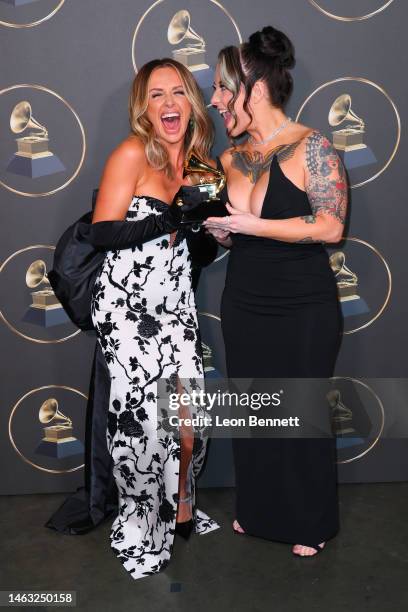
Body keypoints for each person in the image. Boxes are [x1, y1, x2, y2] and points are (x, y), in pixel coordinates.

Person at [205, 26, 348, 557]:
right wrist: (223, 232)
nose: (215, 101)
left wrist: (249, 227)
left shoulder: (313, 147)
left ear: (255, 89)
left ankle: (309, 520)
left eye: (223, 89)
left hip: (303, 305)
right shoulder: (229, 159)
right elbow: (235, 230)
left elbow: (331, 227)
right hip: (244, 302)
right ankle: (257, 509)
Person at [88, 58, 219, 579]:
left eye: (179, 93)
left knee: (190, 423)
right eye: (157, 94)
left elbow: (198, 252)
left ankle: (182, 503)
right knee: (141, 425)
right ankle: (141, 518)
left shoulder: (202, 165)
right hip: (126, 308)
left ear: (192, 103)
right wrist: (166, 218)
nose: (169, 103)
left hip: (176, 306)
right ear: (144, 106)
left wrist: (207, 234)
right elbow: (102, 232)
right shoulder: (130, 154)